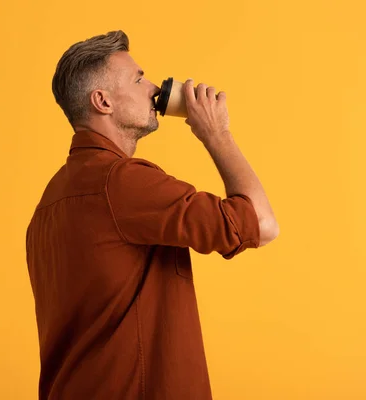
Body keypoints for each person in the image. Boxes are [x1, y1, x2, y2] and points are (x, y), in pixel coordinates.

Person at [25, 30, 279, 400]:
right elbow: (262, 223)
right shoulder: (122, 182)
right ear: (103, 101)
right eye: (139, 78)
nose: (154, 88)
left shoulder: (46, 207)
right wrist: (216, 133)